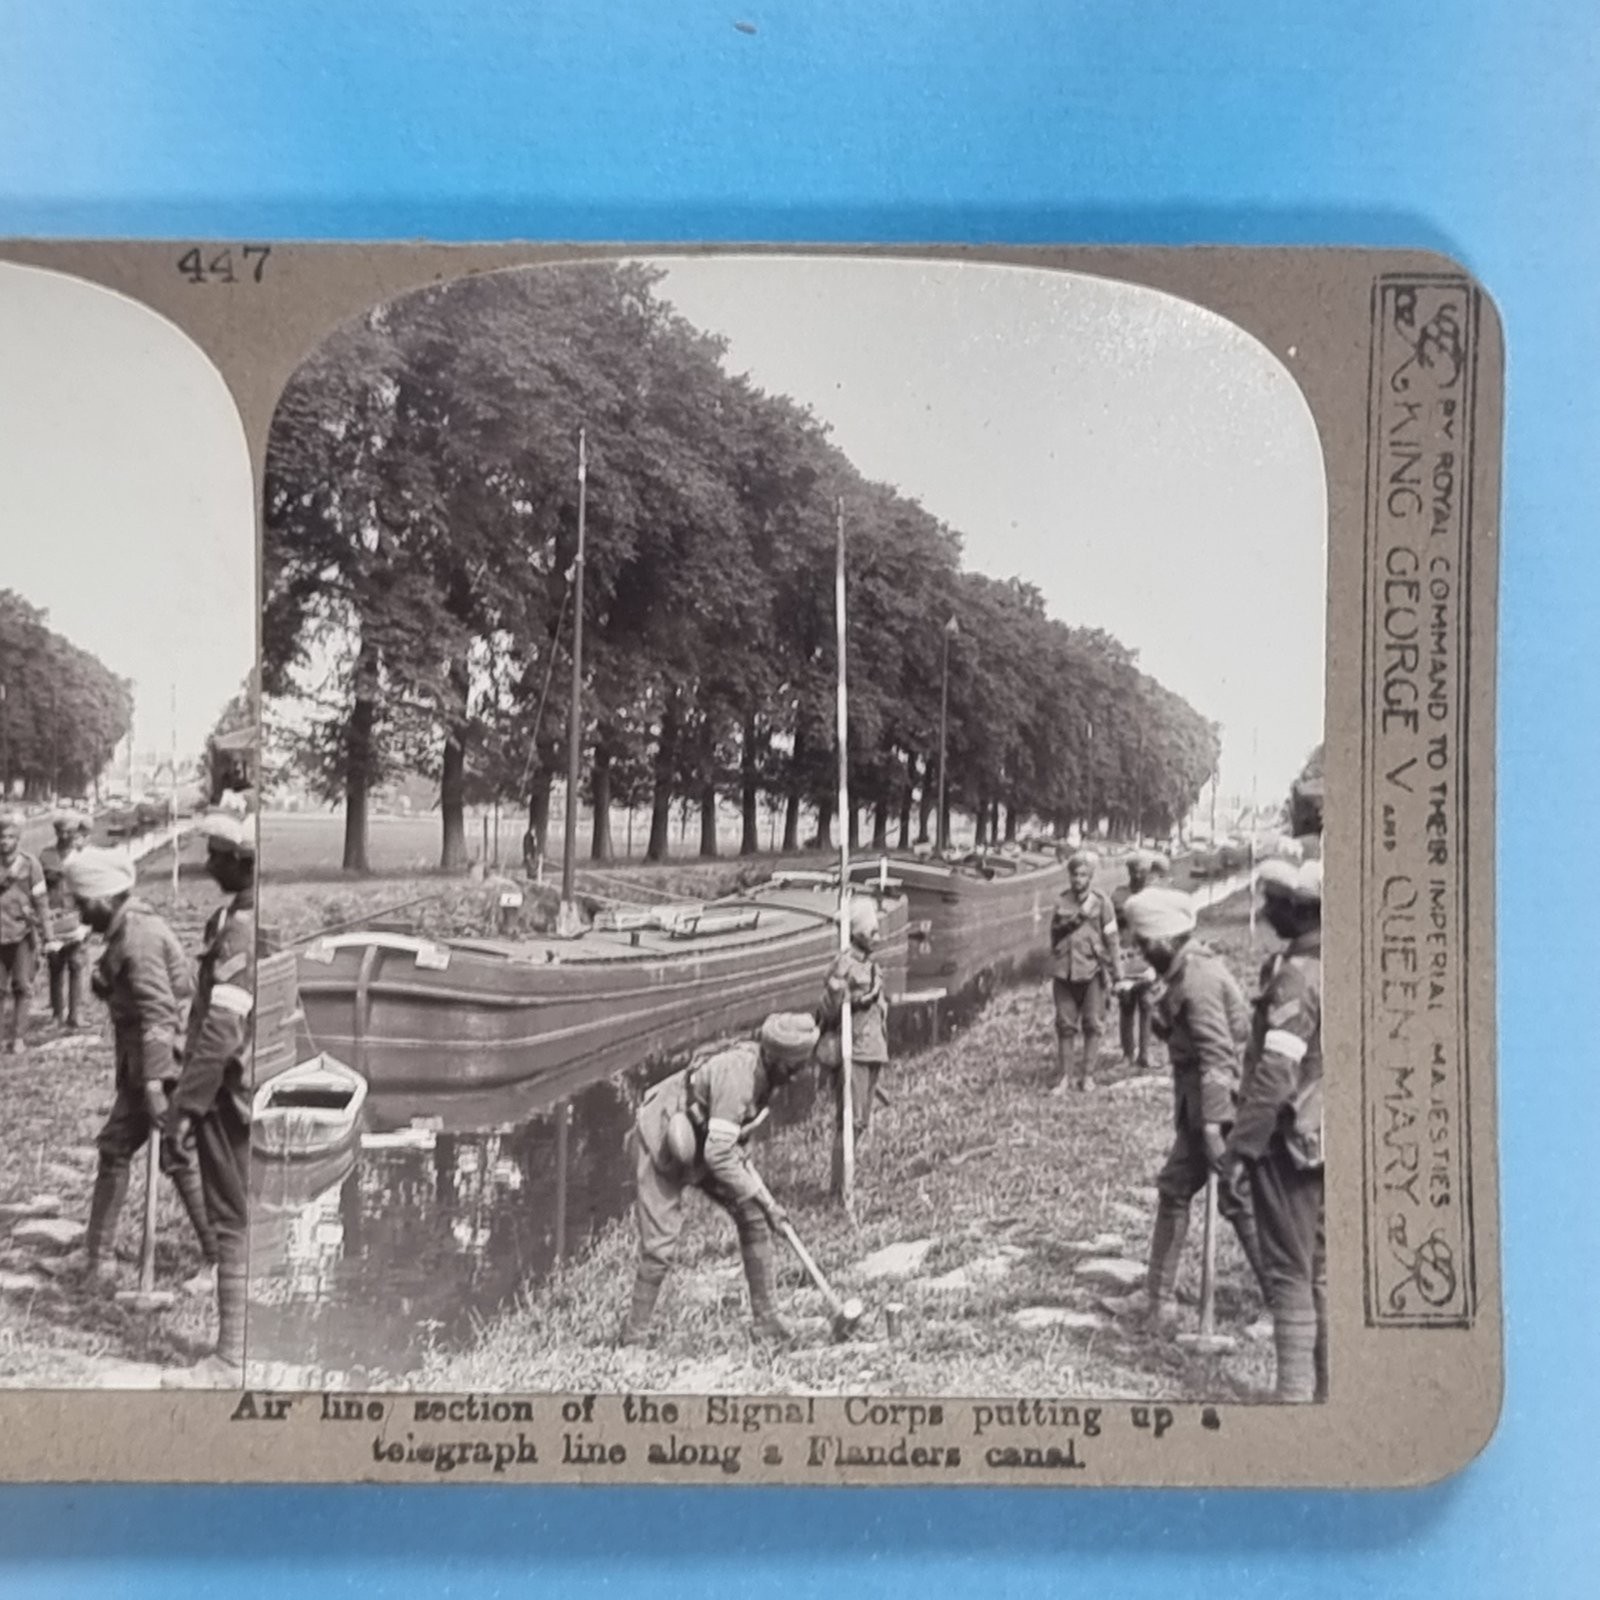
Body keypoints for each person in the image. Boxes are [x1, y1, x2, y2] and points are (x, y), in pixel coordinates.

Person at [1102, 884, 1268, 1331]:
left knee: (1240, 1198)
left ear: (1165, 939)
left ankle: (1281, 1307)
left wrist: (1214, 1127)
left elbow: (1218, 1057)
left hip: (1225, 1108)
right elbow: (1180, 1035)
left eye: (1142, 942)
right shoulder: (1179, 972)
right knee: (1175, 1188)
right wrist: (1156, 1006)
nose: (1137, 948)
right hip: (1200, 1108)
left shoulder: (1198, 979)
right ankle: (1158, 1297)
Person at [618, 1011, 820, 1347]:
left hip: (705, 1142)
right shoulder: (738, 1075)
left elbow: (729, 1141)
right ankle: (634, 1336)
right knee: (659, 1247)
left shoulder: (766, 1076)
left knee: (752, 1215)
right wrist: (768, 1201)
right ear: (775, 1057)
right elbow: (719, 1155)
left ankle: (767, 1320)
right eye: (795, 1067)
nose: (799, 1075)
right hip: (661, 1139)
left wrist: (761, 1202)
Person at [59, 845, 204, 1289]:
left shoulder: (137, 937)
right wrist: (104, 980)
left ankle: (219, 1260)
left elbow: (160, 1012)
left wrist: (156, 1084)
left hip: (162, 1067)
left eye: (84, 904)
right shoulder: (128, 929)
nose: (81, 914)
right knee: (119, 1148)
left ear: (104, 897)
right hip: (144, 1064)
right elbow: (131, 987)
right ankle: (97, 1258)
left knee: (175, 1155)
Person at [1224, 858, 1325, 1402]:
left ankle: (1292, 1400)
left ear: (1297, 910)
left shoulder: (1295, 976)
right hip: (1330, 1137)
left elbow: (1276, 1073)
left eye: (1274, 903)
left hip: (1291, 1144)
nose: (1265, 911)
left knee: (1289, 1274)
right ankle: (1329, 1395)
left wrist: (1242, 1149)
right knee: (1323, 1275)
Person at [162, 814, 258, 1386]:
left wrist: (187, 1106)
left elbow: (223, 1029)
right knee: (236, 1219)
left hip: (227, 1095)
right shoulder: (233, 918)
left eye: (217, 855)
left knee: (231, 1222)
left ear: (242, 862)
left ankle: (229, 1360)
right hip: (230, 1084)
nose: (207, 864)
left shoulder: (242, 928)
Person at [816, 896, 890, 1169]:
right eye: (872, 932)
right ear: (857, 934)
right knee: (849, 1121)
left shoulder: (872, 967)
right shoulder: (843, 968)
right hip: (855, 1052)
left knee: (861, 1122)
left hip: (873, 1051)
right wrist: (844, 995)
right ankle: (839, 1187)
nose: (878, 938)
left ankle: (845, 1178)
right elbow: (830, 1012)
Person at [1047, 849, 1122, 1092]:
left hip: (1091, 971)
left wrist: (1117, 975)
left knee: (1093, 1024)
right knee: (1065, 1025)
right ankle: (1064, 1078)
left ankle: (1087, 1076)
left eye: (1082, 875)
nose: (1078, 880)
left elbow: (1112, 940)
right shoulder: (1061, 902)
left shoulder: (1101, 903)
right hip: (1064, 972)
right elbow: (1054, 935)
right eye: (1074, 875)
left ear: (1090, 877)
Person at [1113, 851, 1170, 1072]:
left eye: (1142, 871)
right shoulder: (1118, 895)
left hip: (1148, 955)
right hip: (1126, 955)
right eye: (1133, 870)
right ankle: (1128, 1053)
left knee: (1147, 1003)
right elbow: (1111, 928)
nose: (1138, 875)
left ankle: (1145, 1054)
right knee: (1126, 1003)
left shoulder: (1153, 895)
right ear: (1128, 872)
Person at [0, 808, 48, 1055]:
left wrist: (48, 935)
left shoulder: (31, 865)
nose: (5, 842)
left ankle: (18, 1037)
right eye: (1, 837)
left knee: (22, 986)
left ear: (17, 839)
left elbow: (41, 901)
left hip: (21, 935)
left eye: (9, 837)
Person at [39, 811, 92, 1033]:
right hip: (53, 915)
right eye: (62, 831)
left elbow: (91, 887)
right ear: (56, 832)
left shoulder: (84, 856)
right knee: (55, 965)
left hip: (77, 914)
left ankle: (76, 1014)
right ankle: (56, 1013)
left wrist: (90, 918)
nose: (66, 835)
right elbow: (39, 889)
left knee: (77, 964)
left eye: (70, 831)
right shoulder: (46, 856)